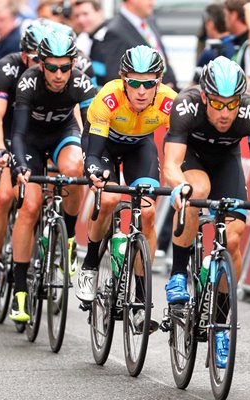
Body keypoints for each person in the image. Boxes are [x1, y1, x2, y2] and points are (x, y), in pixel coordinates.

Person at [163, 56, 250, 368]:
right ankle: (179, 273)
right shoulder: (185, 105)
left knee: (232, 240)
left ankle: (220, 325)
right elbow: (171, 164)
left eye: (231, 104)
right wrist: (180, 186)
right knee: (198, 190)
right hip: (192, 159)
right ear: (204, 96)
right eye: (217, 104)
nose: (225, 113)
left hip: (226, 162)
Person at [76, 45, 176, 323]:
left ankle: (143, 300)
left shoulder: (170, 102)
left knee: (147, 212)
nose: (141, 91)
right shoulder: (108, 97)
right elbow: (93, 152)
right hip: (104, 145)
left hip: (139, 148)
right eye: (133, 83)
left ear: (159, 82)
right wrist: (94, 170)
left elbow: (181, 148)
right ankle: (90, 264)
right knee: (108, 200)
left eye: (149, 83)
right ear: (123, 80)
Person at [9, 30, 97, 322]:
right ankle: (19, 291)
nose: (59, 74)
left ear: (73, 65)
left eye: (65, 67)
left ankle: (69, 237)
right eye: (52, 67)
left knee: (74, 169)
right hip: (31, 141)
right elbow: (18, 133)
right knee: (30, 206)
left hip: (63, 134)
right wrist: (21, 165)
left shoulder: (81, 82)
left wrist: (93, 162)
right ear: (41, 64)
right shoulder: (28, 82)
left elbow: (91, 132)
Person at [0, 21, 47, 309]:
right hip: (5, 132)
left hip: (39, 137)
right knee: (4, 196)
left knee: (49, 193)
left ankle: (49, 247)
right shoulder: (7, 67)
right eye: (35, 58)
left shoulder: (57, 73)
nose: (41, 65)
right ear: (23, 54)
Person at [90, 0, 177, 89]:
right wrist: (155, 90)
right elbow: (117, 78)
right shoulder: (115, 31)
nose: (152, 2)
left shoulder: (149, 21)